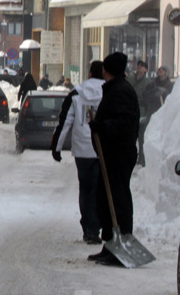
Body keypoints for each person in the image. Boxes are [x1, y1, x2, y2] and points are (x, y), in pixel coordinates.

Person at [87, 52, 140, 267]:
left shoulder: (121, 91)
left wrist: (102, 126)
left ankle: (120, 245)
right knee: (105, 200)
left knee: (116, 200)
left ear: (106, 70)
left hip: (119, 153)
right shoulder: (116, 89)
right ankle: (110, 244)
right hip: (112, 154)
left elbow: (125, 123)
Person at [53, 61, 105, 245]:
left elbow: (65, 121)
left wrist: (56, 147)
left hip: (83, 149)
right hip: (102, 151)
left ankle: (88, 229)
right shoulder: (109, 91)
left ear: (89, 72)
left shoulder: (76, 93)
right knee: (100, 189)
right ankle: (96, 227)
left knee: (86, 188)